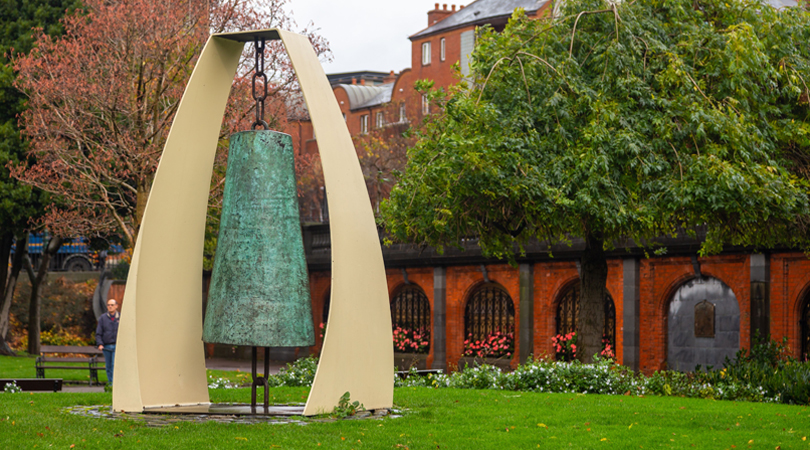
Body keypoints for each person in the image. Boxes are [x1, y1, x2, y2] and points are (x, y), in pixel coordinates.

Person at [96, 299, 120, 386]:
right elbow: (99, 333)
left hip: (117, 346)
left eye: (112, 305)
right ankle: (110, 383)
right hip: (107, 346)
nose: (110, 306)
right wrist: (100, 344)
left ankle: (115, 384)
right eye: (108, 305)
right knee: (109, 366)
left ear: (116, 306)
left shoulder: (120, 317)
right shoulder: (103, 318)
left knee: (115, 365)